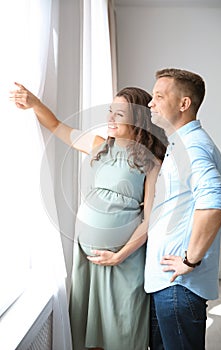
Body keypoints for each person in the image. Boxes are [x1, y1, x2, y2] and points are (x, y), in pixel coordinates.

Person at [10, 83, 168, 350]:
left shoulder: (152, 162)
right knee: (91, 331)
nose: (110, 118)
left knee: (123, 331)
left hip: (124, 262)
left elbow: (148, 221)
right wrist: (35, 103)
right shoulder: (98, 146)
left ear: (138, 119)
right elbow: (57, 126)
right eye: (110, 111)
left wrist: (119, 255)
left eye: (120, 113)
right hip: (88, 259)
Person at [145, 68, 221, 350]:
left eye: (159, 96)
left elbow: (214, 202)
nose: (150, 103)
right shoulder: (181, 144)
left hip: (178, 286)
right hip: (170, 284)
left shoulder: (192, 146)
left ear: (184, 104)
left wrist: (189, 261)